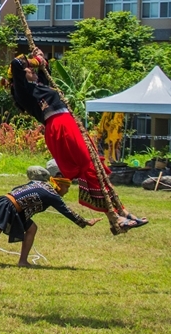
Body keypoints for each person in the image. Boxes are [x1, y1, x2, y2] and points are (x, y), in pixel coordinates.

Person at [9, 51, 147, 232]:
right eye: (29, 69)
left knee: (96, 165)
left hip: (69, 123)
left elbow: (44, 68)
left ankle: (122, 211)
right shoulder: (23, 91)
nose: (33, 70)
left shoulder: (40, 84)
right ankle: (114, 217)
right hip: (60, 128)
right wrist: (35, 60)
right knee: (89, 166)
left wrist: (41, 58)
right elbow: (15, 64)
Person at [0, 177, 100, 267]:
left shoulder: (40, 183)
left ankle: (23, 261)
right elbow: (67, 211)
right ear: (60, 185)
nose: (67, 191)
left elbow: (18, 189)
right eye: (67, 187)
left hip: (14, 208)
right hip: (7, 207)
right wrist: (86, 222)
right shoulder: (52, 195)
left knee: (32, 228)